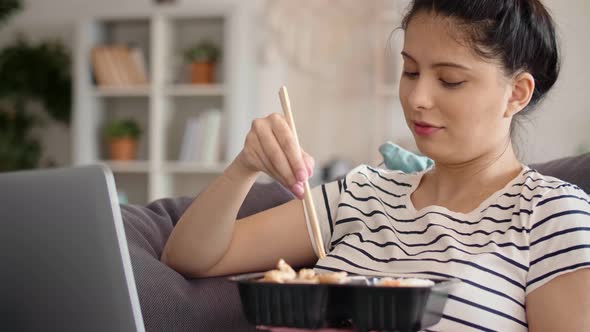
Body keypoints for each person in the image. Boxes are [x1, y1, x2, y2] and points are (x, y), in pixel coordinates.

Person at [162, 0, 590, 330]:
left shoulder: (551, 216)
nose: (418, 98)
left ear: (517, 93)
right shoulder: (365, 191)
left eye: (450, 80)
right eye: (409, 72)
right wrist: (244, 166)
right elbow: (192, 257)